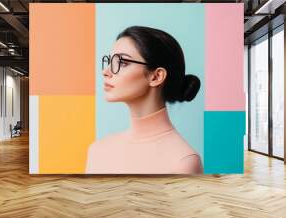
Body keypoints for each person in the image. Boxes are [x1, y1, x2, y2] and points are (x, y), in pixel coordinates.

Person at [86, 26, 203, 174]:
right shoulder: (97, 151)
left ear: (156, 76)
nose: (106, 71)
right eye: (110, 61)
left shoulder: (184, 162)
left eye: (122, 62)